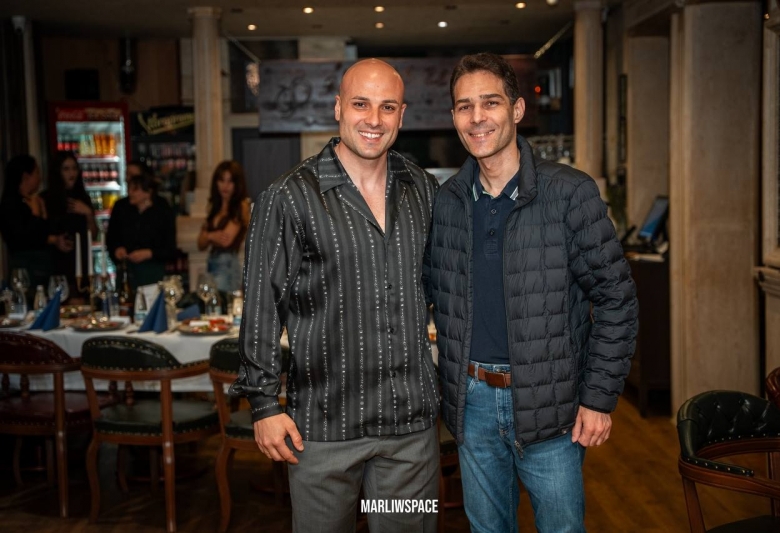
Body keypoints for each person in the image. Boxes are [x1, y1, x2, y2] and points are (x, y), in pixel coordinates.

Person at [423, 53, 639, 533]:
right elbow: (431, 294)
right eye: (464, 107)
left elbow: (617, 300)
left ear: (517, 109)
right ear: (454, 117)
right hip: (472, 406)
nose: (477, 117)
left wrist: (598, 399)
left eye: (490, 102)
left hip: (553, 408)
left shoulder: (570, 193)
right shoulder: (447, 203)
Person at [231, 58, 440, 532]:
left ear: (402, 115)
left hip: (409, 436)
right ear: (338, 107)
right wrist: (264, 405)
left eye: (387, 107)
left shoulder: (424, 190)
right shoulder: (287, 197)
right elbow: (262, 307)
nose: (374, 119)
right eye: (361, 104)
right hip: (323, 433)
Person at [0, 155, 70, 296]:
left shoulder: (33, 200)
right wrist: (36, 214)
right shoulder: (13, 205)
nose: (40, 178)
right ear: (26, 177)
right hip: (28, 268)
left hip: (41, 266)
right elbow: (27, 236)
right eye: (37, 172)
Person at [106, 162, 176, 293]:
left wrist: (149, 253)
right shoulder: (121, 207)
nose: (130, 192)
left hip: (152, 273)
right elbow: (111, 238)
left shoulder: (162, 209)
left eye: (135, 189)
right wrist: (117, 250)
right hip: (127, 272)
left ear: (148, 191)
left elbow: (170, 247)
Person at [41, 151, 98, 299]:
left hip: (81, 261)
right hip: (56, 261)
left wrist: (88, 213)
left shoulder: (83, 197)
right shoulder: (45, 199)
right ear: (57, 172)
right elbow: (38, 233)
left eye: (74, 168)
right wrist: (55, 240)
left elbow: (93, 234)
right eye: (66, 169)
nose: (71, 173)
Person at [196, 160, 250, 293]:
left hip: (227, 264)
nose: (225, 186)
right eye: (221, 180)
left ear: (237, 184)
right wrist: (211, 236)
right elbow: (200, 243)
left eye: (230, 181)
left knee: (222, 301)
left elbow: (226, 240)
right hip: (212, 262)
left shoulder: (240, 207)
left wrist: (208, 236)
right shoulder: (214, 208)